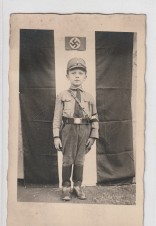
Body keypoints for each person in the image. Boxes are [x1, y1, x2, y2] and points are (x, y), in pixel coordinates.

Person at [53, 57, 99, 201]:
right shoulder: (62, 95)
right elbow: (56, 118)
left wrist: (93, 135)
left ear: (85, 76)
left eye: (80, 72)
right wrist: (56, 136)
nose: (77, 75)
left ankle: (78, 186)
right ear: (67, 76)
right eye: (73, 73)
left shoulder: (89, 97)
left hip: (85, 130)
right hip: (68, 130)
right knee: (67, 159)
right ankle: (66, 187)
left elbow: (95, 117)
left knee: (80, 159)